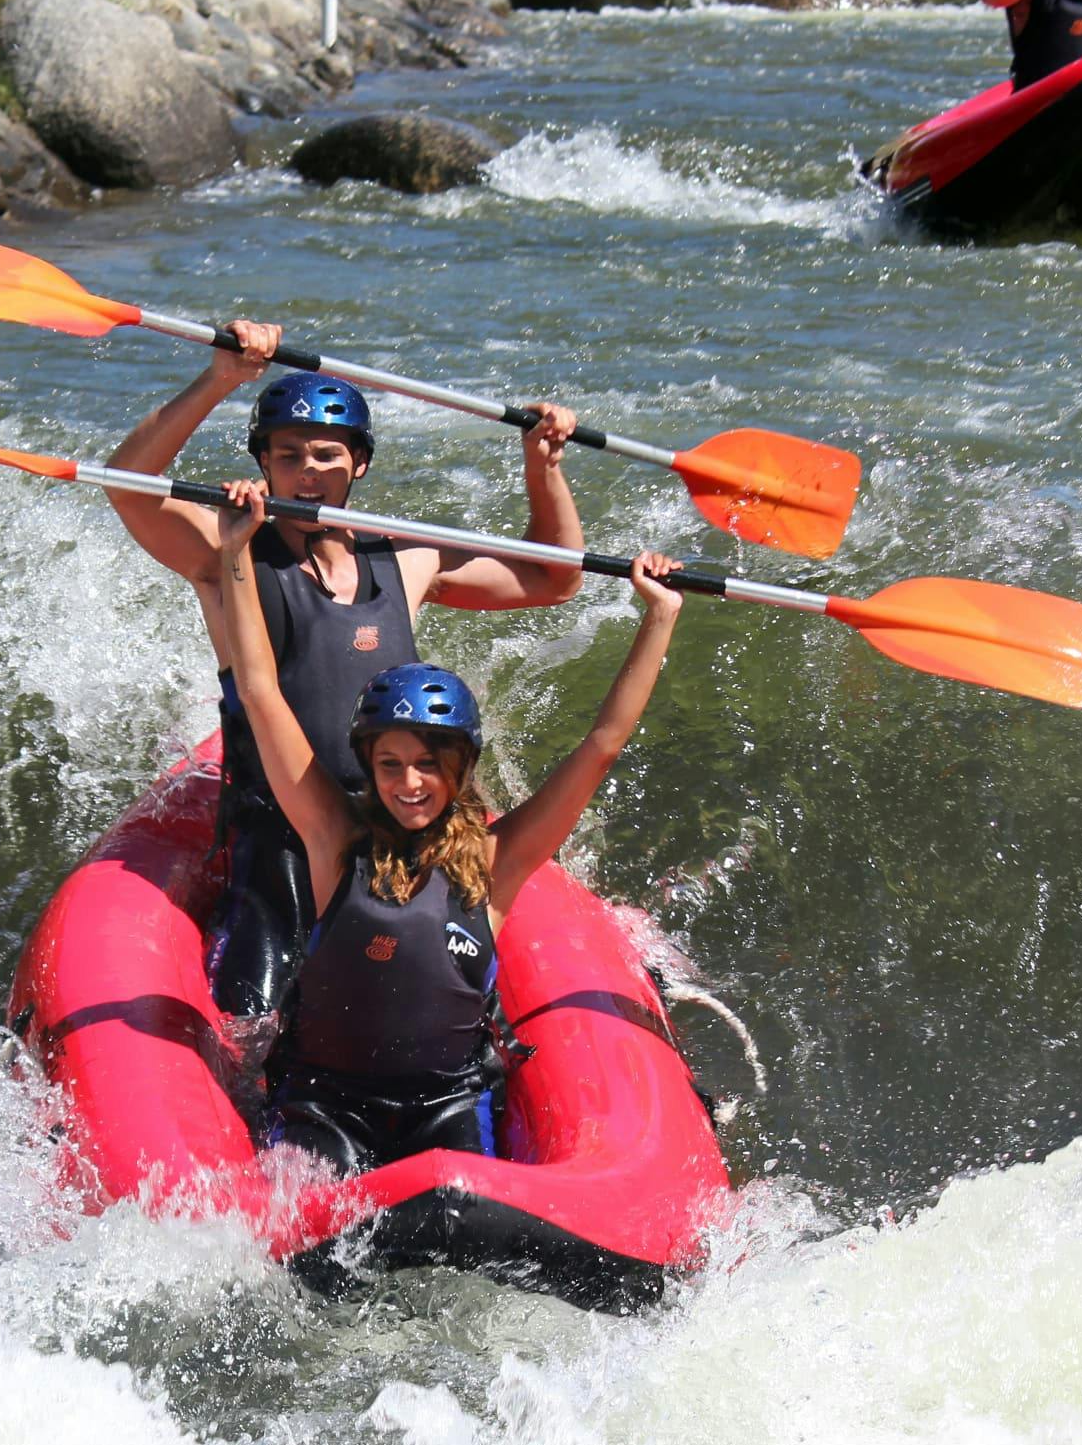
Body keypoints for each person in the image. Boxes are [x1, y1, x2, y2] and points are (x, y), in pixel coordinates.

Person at [104, 332, 585, 1021]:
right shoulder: (226, 553)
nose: (307, 470)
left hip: (400, 828)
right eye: (288, 455)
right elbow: (127, 486)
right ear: (263, 464)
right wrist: (220, 380)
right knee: (258, 1019)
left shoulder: (407, 558)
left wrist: (542, 466)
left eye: (327, 455)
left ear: (357, 463)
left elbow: (553, 578)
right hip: (281, 838)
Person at [212, 480, 685, 1172]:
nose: (409, 784)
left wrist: (660, 617)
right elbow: (259, 689)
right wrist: (233, 553)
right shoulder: (333, 838)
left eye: (430, 765)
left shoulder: (499, 859)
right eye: (391, 764)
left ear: (462, 769)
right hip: (327, 1103)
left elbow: (602, 744)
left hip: (446, 1107)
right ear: (367, 765)